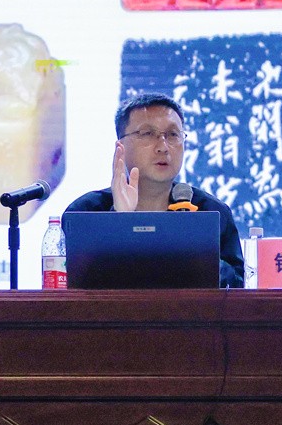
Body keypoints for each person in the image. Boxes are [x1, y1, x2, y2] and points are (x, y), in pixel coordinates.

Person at [63, 93, 244, 287]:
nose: (163, 147)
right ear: (120, 146)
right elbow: (73, 286)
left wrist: (191, 250)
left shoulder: (211, 211)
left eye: (173, 134)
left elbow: (236, 288)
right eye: (148, 133)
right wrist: (120, 220)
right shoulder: (85, 212)